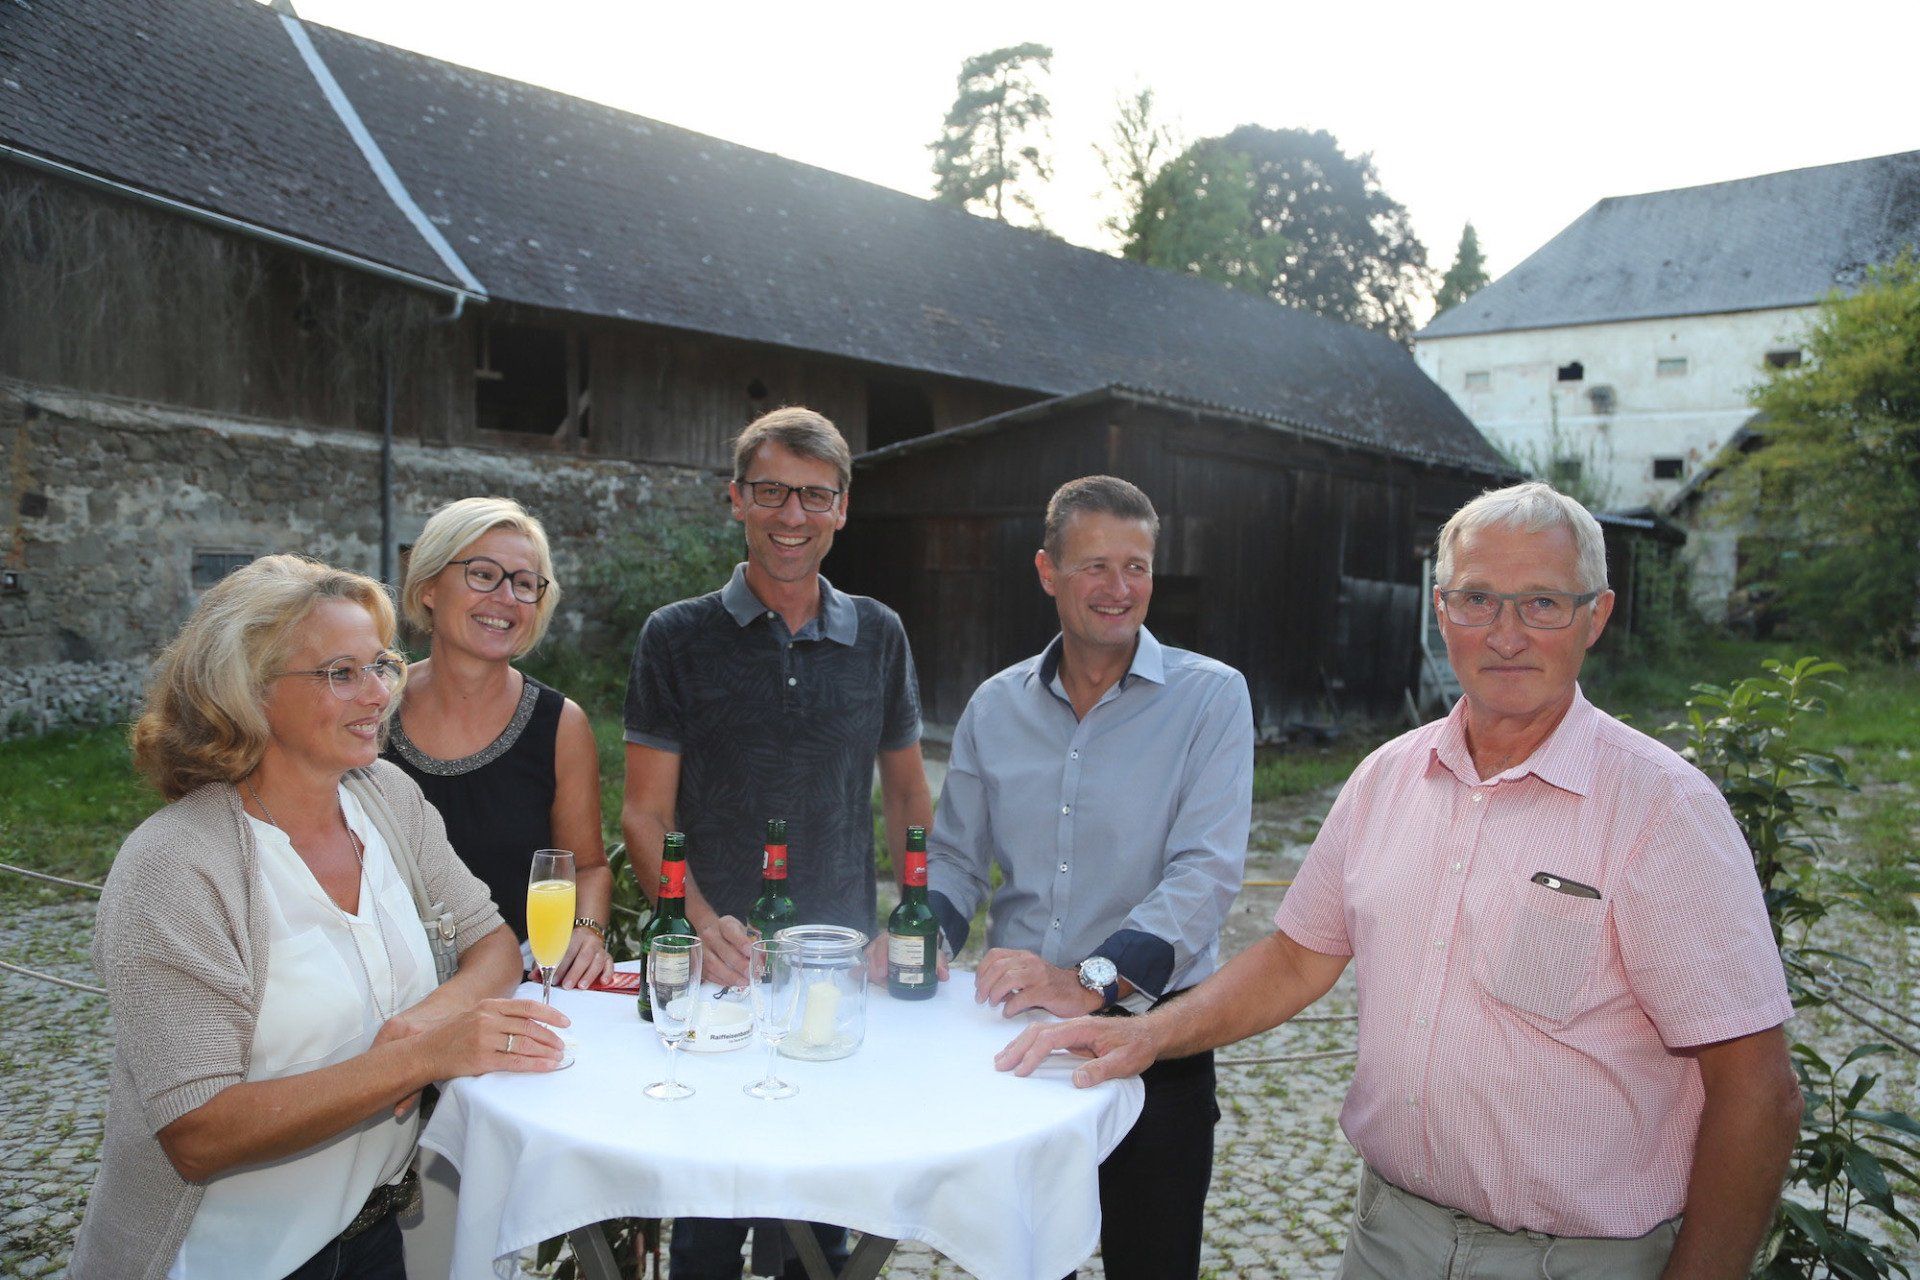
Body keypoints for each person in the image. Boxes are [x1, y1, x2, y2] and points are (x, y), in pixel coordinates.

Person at [999, 482, 1803, 1280]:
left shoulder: (1663, 809)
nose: (1507, 634)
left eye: (1544, 605)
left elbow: (1758, 1090)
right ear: (1441, 610)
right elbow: (1293, 959)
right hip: (1390, 1240)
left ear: (1596, 616)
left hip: (1577, 1261)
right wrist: (1146, 1033)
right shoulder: (1387, 777)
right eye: (1478, 599)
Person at [70, 555, 567, 1280]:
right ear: (247, 690)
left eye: (382, 666)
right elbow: (199, 1133)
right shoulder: (175, 866)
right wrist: (418, 1058)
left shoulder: (386, 797)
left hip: (371, 1235)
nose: (378, 697)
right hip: (225, 1260)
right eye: (341, 673)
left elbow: (492, 942)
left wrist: (430, 1021)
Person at [622, 405, 933, 1278]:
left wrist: (910, 916)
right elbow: (645, 815)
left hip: (833, 971)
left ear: (842, 508)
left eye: (813, 496)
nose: (790, 516)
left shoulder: (880, 633)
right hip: (718, 975)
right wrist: (699, 923)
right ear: (735, 499)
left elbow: (908, 790)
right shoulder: (674, 636)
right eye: (769, 492)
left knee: (818, 1216)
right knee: (709, 1221)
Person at [925, 475, 1254, 1280]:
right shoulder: (994, 706)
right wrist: (916, 938)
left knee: (1154, 1265)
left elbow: (1203, 877)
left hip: (1158, 1038)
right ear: (1048, 571)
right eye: (1096, 567)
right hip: (1018, 1044)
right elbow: (957, 859)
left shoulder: (1213, 700)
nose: (1119, 589)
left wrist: (1088, 980)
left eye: (1136, 567)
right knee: (1023, 1269)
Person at [385, 496, 614, 988]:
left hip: (517, 981)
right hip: (382, 980)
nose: (507, 598)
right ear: (427, 587)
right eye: (483, 574)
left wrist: (587, 931)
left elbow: (589, 867)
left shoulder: (560, 724)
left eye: (526, 584)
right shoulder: (370, 708)